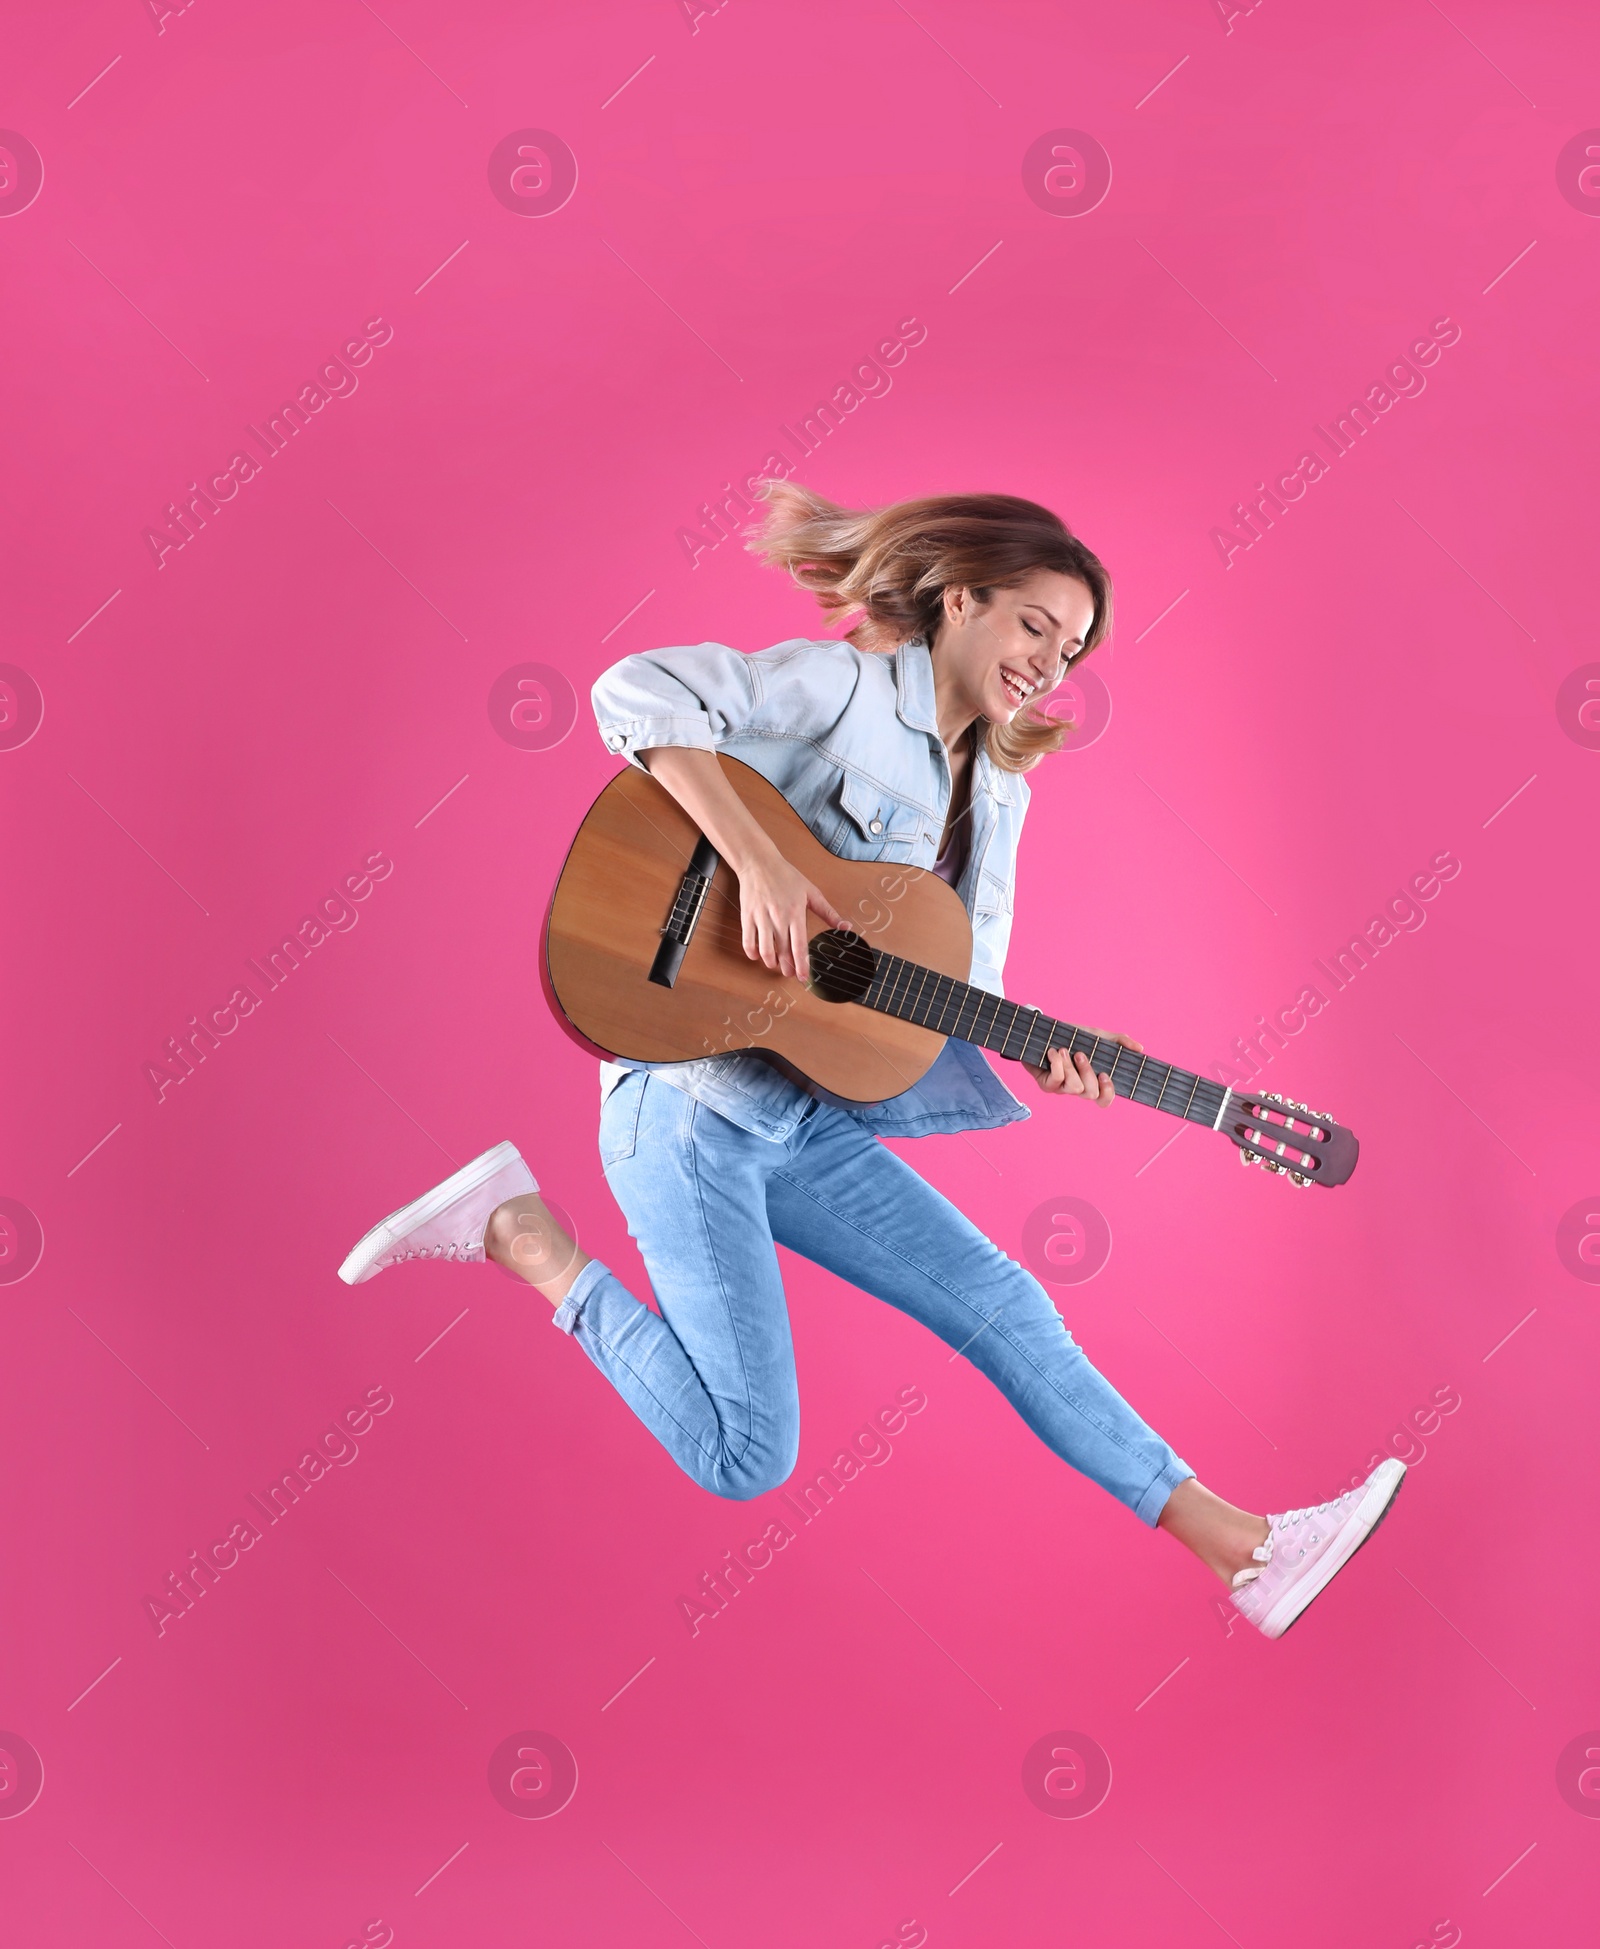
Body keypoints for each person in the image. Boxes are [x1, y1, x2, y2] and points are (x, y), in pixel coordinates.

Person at [337, 484, 1403, 1639]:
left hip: (800, 1117)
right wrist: (753, 860)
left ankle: (1248, 1552)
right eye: (1035, 625)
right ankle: (521, 1235)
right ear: (962, 599)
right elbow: (632, 691)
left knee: (1006, 1303)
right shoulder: (839, 686)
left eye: (1076, 647)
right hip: (682, 1096)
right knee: (747, 1457)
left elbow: (956, 987)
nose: (1053, 661)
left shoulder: (999, 790)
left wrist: (1067, 1055)